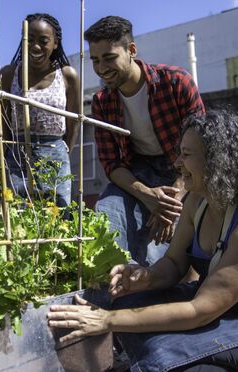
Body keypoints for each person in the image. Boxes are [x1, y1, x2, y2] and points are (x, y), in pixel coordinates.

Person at [47, 109, 238, 372]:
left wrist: (106, 321)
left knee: (180, 364)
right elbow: (173, 263)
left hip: (227, 318)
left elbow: (199, 311)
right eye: (179, 153)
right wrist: (145, 276)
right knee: (124, 301)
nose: (177, 164)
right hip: (206, 305)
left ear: (216, 160)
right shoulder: (197, 201)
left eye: (187, 154)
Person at [84, 16, 205, 266]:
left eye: (109, 57)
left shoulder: (176, 82)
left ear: (131, 50)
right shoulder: (101, 102)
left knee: (165, 242)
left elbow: (201, 148)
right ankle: (115, 280)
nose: (101, 68)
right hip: (137, 173)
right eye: (95, 60)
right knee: (108, 213)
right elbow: (111, 164)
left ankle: (162, 282)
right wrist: (149, 195)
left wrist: (171, 201)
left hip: (184, 169)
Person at [1, 13, 80, 207]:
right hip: (18, 153)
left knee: (58, 215)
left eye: (43, 41)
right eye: (29, 40)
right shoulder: (9, 74)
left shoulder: (67, 76)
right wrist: (5, 157)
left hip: (55, 152)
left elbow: (73, 121)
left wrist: (64, 152)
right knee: (18, 213)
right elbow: (3, 121)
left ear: (55, 43)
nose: (35, 47)